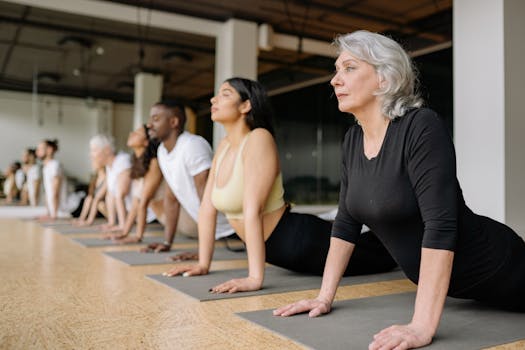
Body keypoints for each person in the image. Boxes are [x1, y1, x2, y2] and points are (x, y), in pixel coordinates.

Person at [273, 30, 525, 350]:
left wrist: (421, 326)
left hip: (500, 266)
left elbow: (441, 224)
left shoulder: (421, 126)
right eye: (336, 70)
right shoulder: (353, 140)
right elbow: (346, 223)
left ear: (384, 78)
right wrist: (324, 297)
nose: (335, 80)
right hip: (467, 290)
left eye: (349, 68)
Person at [162, 77, 396, 293]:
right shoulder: (224, 146)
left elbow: (252, 209)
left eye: (225, 94)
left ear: (245, 106)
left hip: (300, 242)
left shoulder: (259, 138)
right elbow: (207, 209)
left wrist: (254, 278)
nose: (213, 99)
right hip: (281, 253)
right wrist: (203, 263)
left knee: (387, 254)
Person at [143, 100, 235, 253]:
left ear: (174, 122)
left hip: (234, 231)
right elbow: (171, 199)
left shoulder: (192, 145)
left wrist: (202, 253)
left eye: (156, 119)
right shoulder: (162, 152)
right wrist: (167, 243)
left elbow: (205, 196)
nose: (149, 124)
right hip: (214, 235)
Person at [106, 124, 166, 243]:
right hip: (161, 219)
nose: (131, 134)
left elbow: (143, 202)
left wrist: (138, 236)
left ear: (146, 142)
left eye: (137, 133)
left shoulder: (154, 163)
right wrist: (124, 232)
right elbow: (135, 204)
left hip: (173, 221)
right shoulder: (138, 163)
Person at [89, 135, 131, 231]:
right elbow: (108, 195)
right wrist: (111, 223)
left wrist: (122, 226)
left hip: (146, 218)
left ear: (107, 150)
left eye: (94, 150)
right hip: (130, 216)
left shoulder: (122, 160)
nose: (91, 154)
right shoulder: (109, 167)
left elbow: (121, 194)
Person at [36, 139, 81, 219]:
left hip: (72, 208)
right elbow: (48, 192)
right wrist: (48, 213)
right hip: (57, 210)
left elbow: (55, 191)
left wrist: (54, 215)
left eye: (40, 149)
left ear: (49, 150)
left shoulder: (55, 165)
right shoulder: (46, 167)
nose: (37, 151)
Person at [71, 147, 107, 226]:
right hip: (97, 207)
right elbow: (91, 196)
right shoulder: (95, 178)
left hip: (105, 207)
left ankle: (89, 221)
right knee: (89, 198)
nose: (92, 163)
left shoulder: (107, 177)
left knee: (98, 202)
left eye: (94, 161)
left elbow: (99, 198)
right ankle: (81, 218)